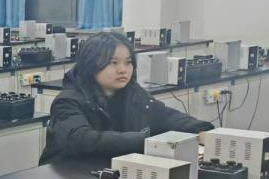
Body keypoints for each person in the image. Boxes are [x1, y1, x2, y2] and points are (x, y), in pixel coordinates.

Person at [40, 32, 214, 165]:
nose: (123, 70)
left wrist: (200, 131)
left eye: (128, 62)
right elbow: (83, 139)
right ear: (91, 65)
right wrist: (147, 140)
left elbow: (165, 116)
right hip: (69, 176)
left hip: (111, 171)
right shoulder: (68, 101)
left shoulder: (132, 92)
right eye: (113, 63)